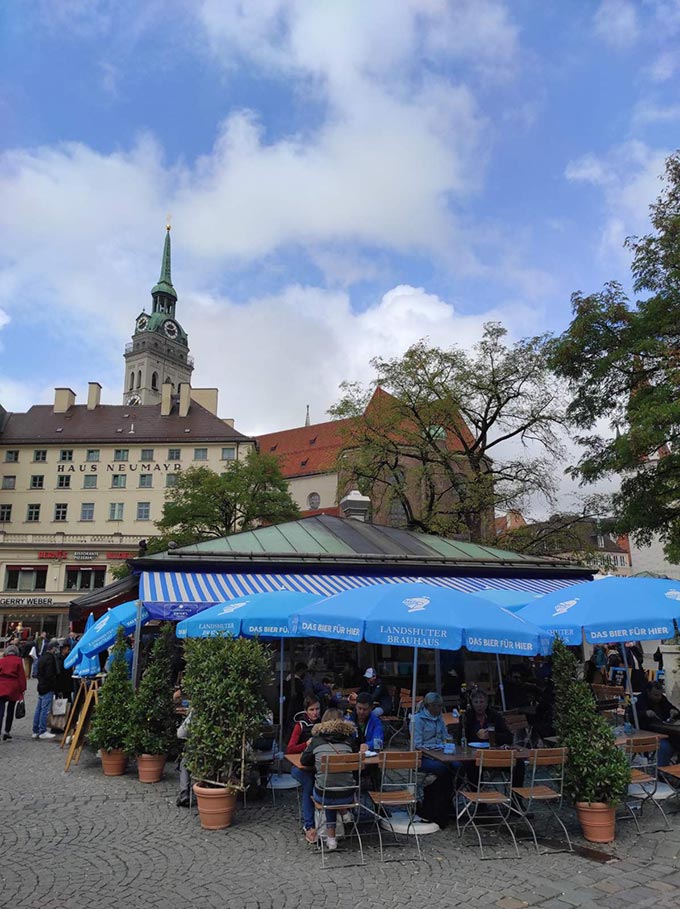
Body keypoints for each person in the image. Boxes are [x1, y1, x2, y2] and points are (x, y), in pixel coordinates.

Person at [300, 707, 357, 851]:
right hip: (348, 795)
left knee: (326, 788)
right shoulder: (349, 741)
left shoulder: (317, 741)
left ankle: (331, 840)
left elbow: (304, 761)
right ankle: (344, 812)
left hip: (326, 794)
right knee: (335, 785)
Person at [412, 692, 457, 829]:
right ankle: (438, 804)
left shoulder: (440, 719)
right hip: (423, 756)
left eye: (440, 706)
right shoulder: (418, 720)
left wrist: (447, 744)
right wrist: (434, 750)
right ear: (428, 706)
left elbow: (445, 736)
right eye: (436, 706)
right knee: (443, 769)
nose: (439, 709)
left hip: (441, 754)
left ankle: (447, 799)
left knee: (458, 766)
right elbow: (417, 743)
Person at [286, 696, 322, 843]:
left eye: (317, 709)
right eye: (311, 710)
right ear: (306, 711)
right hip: (299, 767)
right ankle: (309, 825)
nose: (315, 713)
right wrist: (305, 744)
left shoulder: (323, 723)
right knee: (308, 784)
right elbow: (289, 749)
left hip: (318, 766)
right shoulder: (300, 725)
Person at [636, 681, 680, 766]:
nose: (659, 698)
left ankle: (675, 766)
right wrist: (644, 713)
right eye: (655, 695)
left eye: (660, 695)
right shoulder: (640, 700)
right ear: (648, 692)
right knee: (665, 747)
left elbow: (672, 708)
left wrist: (674, 711)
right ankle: (662, 771)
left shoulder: (662, 699)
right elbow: (630, 716)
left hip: (665, 730)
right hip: (647, 732)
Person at [32, 638, 61, 740]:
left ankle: (35, 730)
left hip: (41, 685)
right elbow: (50, 674)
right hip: (47, 687)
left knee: (38, 709)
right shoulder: (50, 659)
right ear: (53, 649)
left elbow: (37, 673)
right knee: (45, 709)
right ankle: (42, 730)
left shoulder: (42, 658)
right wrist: (53, 685)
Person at [0, 644, 27, 741]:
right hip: (13, 687)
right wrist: (23, 689)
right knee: (10, 710)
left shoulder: (1, 660)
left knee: (0, 710)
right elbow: (21, 676)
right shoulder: (18, 661)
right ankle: (7, 731)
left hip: (1, 686)